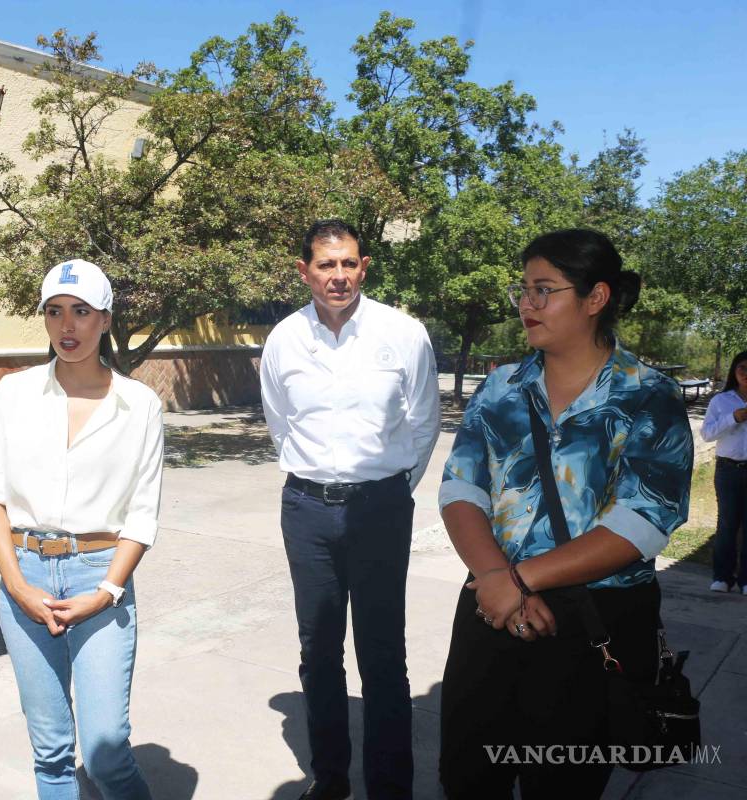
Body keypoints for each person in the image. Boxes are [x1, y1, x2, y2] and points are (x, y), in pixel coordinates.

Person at [437, 228, 693, 798]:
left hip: (596, 620)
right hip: (492, 608)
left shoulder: (647, 395)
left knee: (565, 782)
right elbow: (461, 488)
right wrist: (496, 580)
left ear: (595, 298)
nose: (527, 305)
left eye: (544, 290)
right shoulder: (502, 387)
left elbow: (644, 519)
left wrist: (520, 579)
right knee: (469, 775)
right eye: (523, 290)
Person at [260, 219, 441, 800]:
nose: (337, 276)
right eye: (325, 265)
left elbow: (422, 424)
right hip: (308, 511)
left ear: (364, 267)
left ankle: (390, 788)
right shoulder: (283, 339)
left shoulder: (403, 334)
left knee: (384, 653)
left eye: (347, 264)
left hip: (380, 510)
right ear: (304, 271)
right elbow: (280, 425)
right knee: (317, 650)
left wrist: (387, 489)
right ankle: (331, 778)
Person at [0, 259, 162, 800]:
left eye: (81, 312)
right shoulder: (13, 393)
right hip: (24, 573)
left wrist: (105, 594)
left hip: (100, 576)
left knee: (106, 750)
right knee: (51, 752)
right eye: (55, 312)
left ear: (105, 319)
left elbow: (142, 515)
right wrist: (17, 586)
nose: (67, 326)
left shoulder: (139, 405)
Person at [700, 350, 747, 593]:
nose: (746, 374)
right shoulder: (722, 401)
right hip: (728, 470)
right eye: (742, 368)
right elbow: (707, 434)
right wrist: (733, 418)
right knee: (727, 523)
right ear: (734, 371)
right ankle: (722, 576)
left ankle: (746, 580)